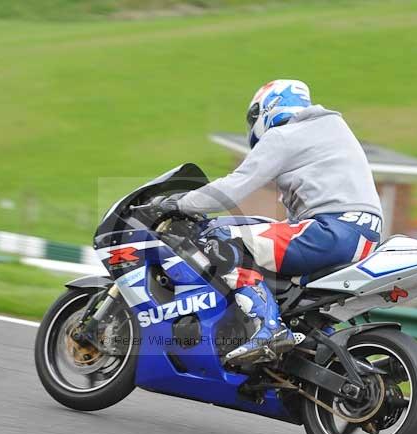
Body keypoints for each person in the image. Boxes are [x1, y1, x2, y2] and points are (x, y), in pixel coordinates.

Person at [151, 79, 383, 368]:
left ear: (268, 108)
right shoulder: (334, 129)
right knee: (279, 268)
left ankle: (267, 327)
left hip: (330, 230)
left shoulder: (286, 134)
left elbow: (233, 188)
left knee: (222, 237)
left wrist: (180, 202)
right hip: (365, 233)